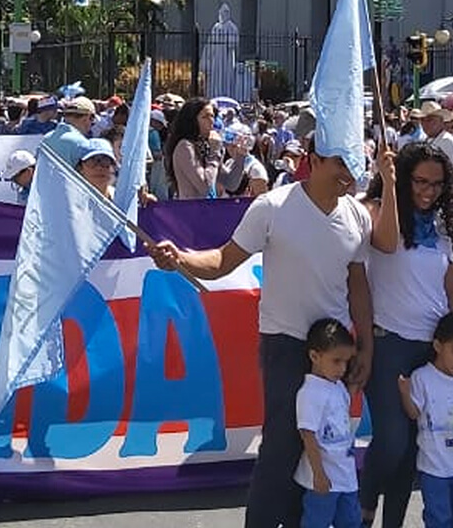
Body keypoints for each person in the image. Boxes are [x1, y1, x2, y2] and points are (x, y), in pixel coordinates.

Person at [148, 135, 374, 528]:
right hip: (285, 344)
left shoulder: (357, 214)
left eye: (352, 163)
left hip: (335, 349)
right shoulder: (272, 206)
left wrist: (364, 347)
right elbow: (223, 259)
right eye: (340, 163)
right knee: (282, 449)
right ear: (313, 160)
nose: (348, 174)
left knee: (323, 448)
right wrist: (180, 259)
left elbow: (358, 284)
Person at [359, 142, 453, 528]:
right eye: (419, 182)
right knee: (392, 441)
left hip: (431, 349)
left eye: (437, 184)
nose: (429, 192)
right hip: (388, 344)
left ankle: (392, 522)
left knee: (413, 449)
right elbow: (384, 240)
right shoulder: (378, 211)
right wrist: (388, 179)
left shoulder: (446, 228)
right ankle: (363, 508)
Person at [295, 319, 360, 528]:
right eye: (336, 361)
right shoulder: (310, 392)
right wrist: (319, 474)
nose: (342, 368)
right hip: (325, 480)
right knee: (317, 522)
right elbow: (308, 434)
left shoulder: (338, 386)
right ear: (315, 356)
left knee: (350, 521)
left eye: (346, 362)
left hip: (346, 475)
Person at [399, 312, 453, 528]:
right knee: (439, 517)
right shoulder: (423, 377)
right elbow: (414, 413)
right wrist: (404, 393)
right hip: (434, 467)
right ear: (438, 346)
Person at [164, 97, 221, 199]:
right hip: (191, 211)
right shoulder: (185, 146)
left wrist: (240, 156)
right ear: (192, 121)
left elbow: (231, 183)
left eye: (212, 116)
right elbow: (205, 187)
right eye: (205, 117)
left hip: (209, 210)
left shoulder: (206, 145)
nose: (211, 121)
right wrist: (214, 153)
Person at [44, 96, 94, 166]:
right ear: (86, 118)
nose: (91, 124)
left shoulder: (46, 138)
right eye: (92, 119)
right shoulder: (82, 144)